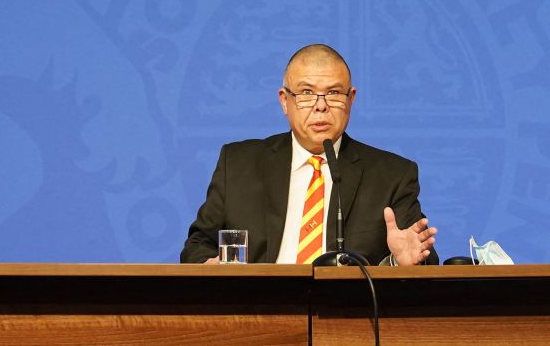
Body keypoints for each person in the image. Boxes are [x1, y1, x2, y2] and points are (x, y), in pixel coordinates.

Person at [180, 44, 437, 265]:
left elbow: (418, 253)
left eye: (334, 93)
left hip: (348, 314)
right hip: (257, 309)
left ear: (351, 99)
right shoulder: (238, 163)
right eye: (306, 93)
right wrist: (212, 266)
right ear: (284, 100)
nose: (321, 105)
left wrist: (397, 261)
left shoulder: (392, 175)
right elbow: (198, 243)